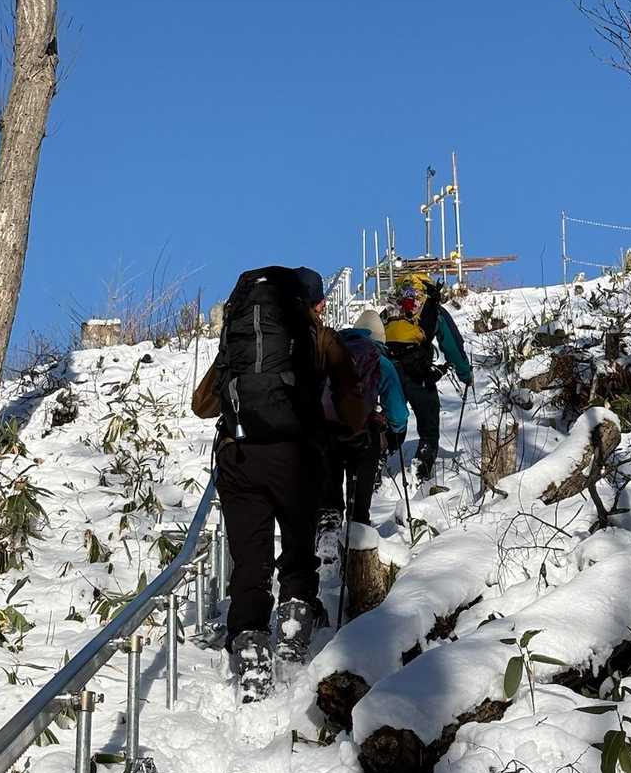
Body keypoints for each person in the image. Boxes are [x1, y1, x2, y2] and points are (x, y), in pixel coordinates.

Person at [191, 265, 366, 701]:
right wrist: (353, 429)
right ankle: (293, 624)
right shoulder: (321, 338)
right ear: (313, 304)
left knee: (250, 559)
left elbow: (202, 405)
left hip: (239, 457)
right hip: (296, 457)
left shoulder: (242, 339)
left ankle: (251, 646)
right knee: (298, 547)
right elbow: (350, 401)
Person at [317, 308, 409, 559]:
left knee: (330, 490)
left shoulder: (329, 352)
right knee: (359, 500)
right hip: (362, 435)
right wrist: (393, 434)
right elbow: (398, 414)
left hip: (326, 432)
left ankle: (328, 530)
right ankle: (357, 535)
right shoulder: (379, 362)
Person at [384, 277, 472, 482]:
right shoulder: (431, 307)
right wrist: (465, 374)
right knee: (428, 427)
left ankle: (379, 459)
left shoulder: (391, 308)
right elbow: (452, 344)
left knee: (393, 419)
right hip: (417, 371)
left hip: (389, 369)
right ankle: (421, 473)